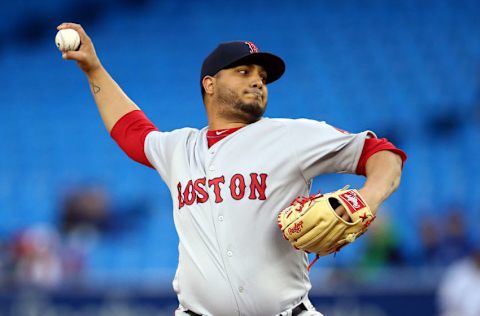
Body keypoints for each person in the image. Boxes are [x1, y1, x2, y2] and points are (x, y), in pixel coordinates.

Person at [57, 22, 406, 316]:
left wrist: (368, 199)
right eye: (244, 71)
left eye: (262, 76)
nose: (257, 81)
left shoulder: (294, 135)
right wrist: (93, 68)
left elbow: (382, 153)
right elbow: (131, 131)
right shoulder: (180, 148)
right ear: (209, 84)